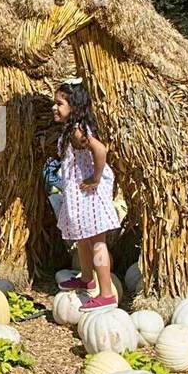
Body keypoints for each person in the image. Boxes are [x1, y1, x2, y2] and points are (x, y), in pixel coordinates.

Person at [51, 79, 121, 310]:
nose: (54, 108)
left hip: (89, 196)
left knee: (97, 242)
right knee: (82, 239)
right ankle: (86, 278)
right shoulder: (73, 129)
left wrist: (95, 178)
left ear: (74, 106)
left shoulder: (79, 130)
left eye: (59, 103)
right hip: (79, 196)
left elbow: (101, 150)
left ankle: (107, 293)